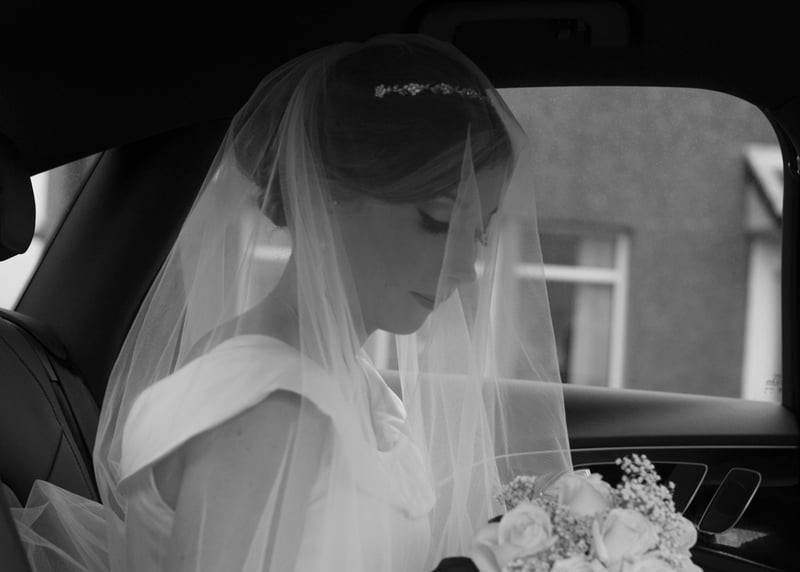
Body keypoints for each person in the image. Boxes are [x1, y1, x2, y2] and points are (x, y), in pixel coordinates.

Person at [13, 34, 571, 571]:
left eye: (479, 234)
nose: (464, 269)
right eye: (438, 221)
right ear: (327, 199)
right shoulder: (268, 415)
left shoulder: (348, 382)